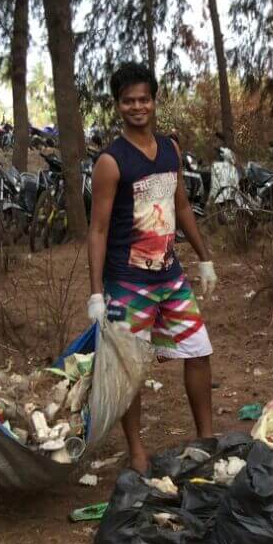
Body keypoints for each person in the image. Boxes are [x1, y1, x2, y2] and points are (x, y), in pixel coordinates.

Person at [86, 62, 217, 474]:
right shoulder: (111, 161)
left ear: (154, 101)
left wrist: (204, 256)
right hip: (128, 284)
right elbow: (98, 230)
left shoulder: (170, 150)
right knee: (130, 369)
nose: (137, 106)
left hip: (170, 276)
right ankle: (137, 451)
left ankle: (207, 437)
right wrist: (95, 292)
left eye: (144, 98)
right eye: (128, 100)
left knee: (199, 350)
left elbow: (180, 207)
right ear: (118, 105)